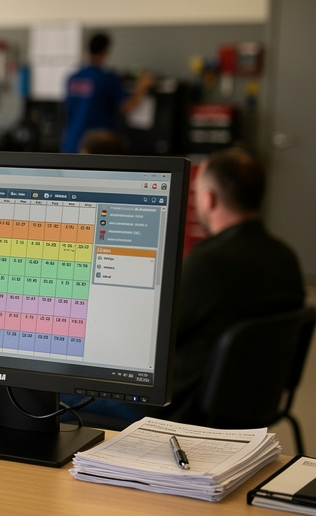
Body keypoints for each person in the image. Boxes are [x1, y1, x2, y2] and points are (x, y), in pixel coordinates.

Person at [82, 148, 305, 425]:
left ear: (209, 199)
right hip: (251, 406)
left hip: (178, 409)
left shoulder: (210, 266)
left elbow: (147, 341)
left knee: (52, 390)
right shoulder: (286, 257)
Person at [61, 32, 153, 154]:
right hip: (97, 147)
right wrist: (142, 86)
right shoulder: (107, 78)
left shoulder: (73, 78)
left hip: (71, 144)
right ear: (105, 51)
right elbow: (128, 106)